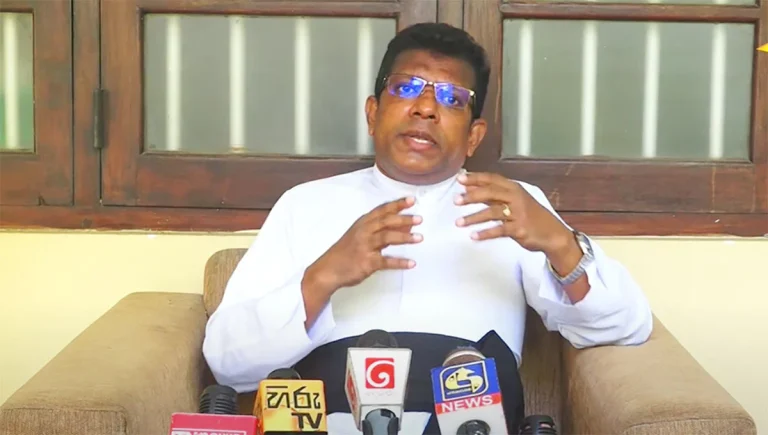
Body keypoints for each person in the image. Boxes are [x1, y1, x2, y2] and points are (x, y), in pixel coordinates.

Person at [203, 22, 653, 434]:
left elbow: (625, 325)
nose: (425, 109)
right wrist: (324, 277)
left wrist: (559, 244)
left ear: (474, 136)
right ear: (373, 113)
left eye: (452, 98)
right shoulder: (304, 204)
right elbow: (227, 362)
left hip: (471, 421)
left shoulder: (512, 206)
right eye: (406, 88)